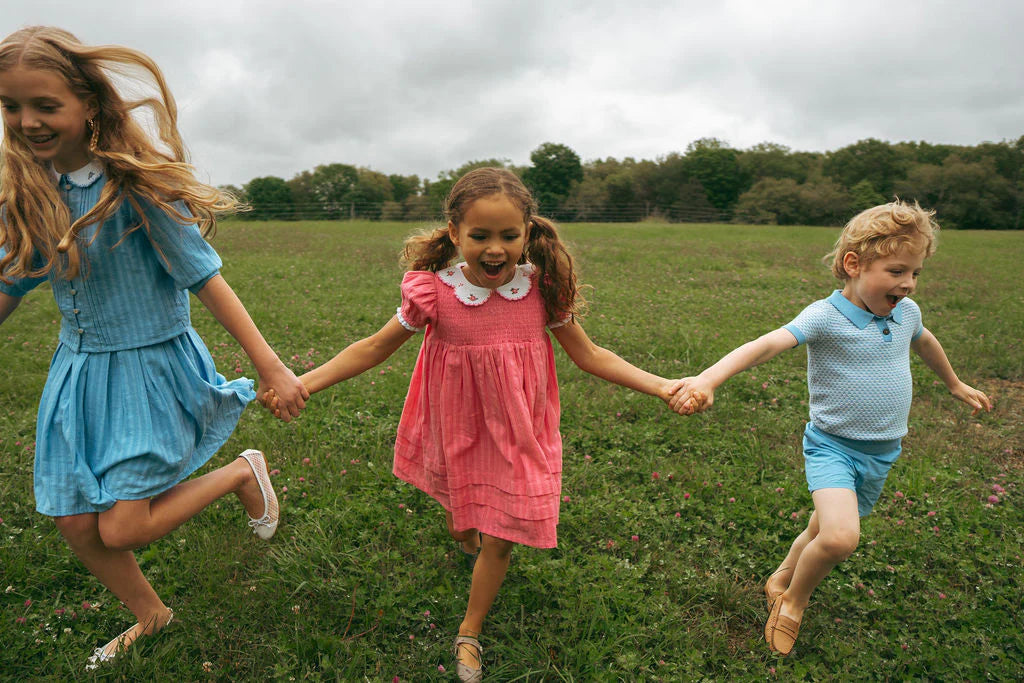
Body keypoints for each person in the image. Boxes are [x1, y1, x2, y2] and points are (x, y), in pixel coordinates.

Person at [265, 167, 697, 680]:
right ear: (455, 233)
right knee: (461, 521)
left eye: (509, 236)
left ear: (527, 232)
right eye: (480, 236)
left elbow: (591, 355)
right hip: (458, 428)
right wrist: (302, 383)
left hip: (520, 432)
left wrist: (661, 384)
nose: (495, 249)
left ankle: (469, 631)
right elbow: (373, 348)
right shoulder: (434, 293)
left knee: (501, 535)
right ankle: (464, 530)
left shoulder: (541, 290)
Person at [0, 26, 308, 667]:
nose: (27, 121)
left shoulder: (132, 187)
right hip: (78, 376)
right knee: (74, 521)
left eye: (45, 105)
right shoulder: (28, 196)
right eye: (10, 106)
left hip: (148, 369)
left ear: (88, 104)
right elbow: (11, 282)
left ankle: (239, 472)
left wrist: (271, 366)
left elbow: (205, 277)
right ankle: (152, 615)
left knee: (122, 526)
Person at [668, 200, 992, 656]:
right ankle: (793, 601)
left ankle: (782, 575)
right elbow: (765, 345)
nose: (908, 283)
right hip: (833, 448)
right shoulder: (825, 316)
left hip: (883, 452)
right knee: (840, 539)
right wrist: (708, 379)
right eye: (897, 271)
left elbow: (924, 341)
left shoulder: (907, 313)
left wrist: (954, 383)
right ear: (854, 264)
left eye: (915, 273)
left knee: (821, 530)